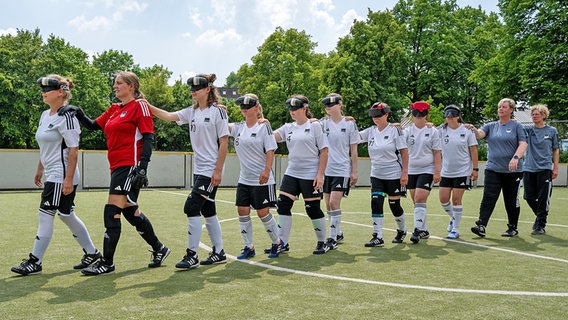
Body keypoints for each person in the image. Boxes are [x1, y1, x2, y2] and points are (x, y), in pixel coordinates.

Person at [58, 71, 170, 275]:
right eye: (115, 83)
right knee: (130, 211)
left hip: (130, 165)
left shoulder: (140, 105)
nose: (115, 86)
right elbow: (93, 126)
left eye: (119, 83)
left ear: (131, 86)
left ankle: (107, 263)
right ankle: (159, 248)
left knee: (112, 210)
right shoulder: (114, 109)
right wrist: (77, 111)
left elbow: (148, 137)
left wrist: (143, 167)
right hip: (116, 166)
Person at [11, 75, 101, 276]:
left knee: (45, 214)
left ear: (60, 92)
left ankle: (35, 261)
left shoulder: (67, 116)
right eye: (42, 90)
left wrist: (68, 179)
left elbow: (73, 150)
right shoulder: (45, 115)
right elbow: (46, 146)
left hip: (61, 176)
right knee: (66, 214)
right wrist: (40, 168)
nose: (42, 93)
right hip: (51, 172)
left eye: (47, 90)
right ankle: (93, 253)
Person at [149, 74, 228, 269]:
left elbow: (224, 141)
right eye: (191, 89)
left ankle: (191, 255)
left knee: (191, 207)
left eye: (197, 88)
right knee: (208, 210)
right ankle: (219, 252)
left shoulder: (218, 112)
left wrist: (218, 171)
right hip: (199, 168)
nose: (193, 91)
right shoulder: (191, 112)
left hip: (210, 169)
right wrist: (145, 105)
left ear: (208, 89)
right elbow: (167, 116)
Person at [270, 95, 330, 254]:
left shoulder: (315, 126)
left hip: (311, 173)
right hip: (292, 171)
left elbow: (324, 151)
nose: (292, 112)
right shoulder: (288, 127)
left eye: (295, 108)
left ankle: (322, 242)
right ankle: (282, 242)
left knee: (312, 208)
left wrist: (320, 175)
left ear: (304, 108)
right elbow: (269, 136)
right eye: (290, 109)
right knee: (282, 204)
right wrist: (262, 123)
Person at [229, 94, 282, 259]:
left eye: (248, 106)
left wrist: (267, 170)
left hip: (261, 179)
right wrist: (219, 109)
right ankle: (248, 247)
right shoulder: (239, 127)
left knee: (262, 212)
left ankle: (277, 243)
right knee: (242, 211)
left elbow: (270, 149)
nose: (244, 109)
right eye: (242, 106)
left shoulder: (263, 127)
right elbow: (221, 123)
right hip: (244, 178)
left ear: (256, 107)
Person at [469, 98, 528, 237]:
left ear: (511, 110)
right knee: (488, 197)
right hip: (493, 168)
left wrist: (515, 158)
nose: (500, 109)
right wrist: (473, 129)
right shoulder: (491, 125)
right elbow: (480, 135)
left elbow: (523, 144)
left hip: (513, 171)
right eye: (499, 106)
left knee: (511, 199)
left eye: (504, 107)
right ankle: (481, 225)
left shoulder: (517, 126)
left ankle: (512, 227)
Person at [358, 102, 409, 247]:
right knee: (376, 202)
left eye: (379, 116)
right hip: (376, 173)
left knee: (394, 205)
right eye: (373, 116)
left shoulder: (395, 130)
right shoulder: (371, 131)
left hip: (393, 173)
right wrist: (345, 121)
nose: (376, 118)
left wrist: (404, 173)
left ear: (386, 114)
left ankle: (402, 230)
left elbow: (404, 152)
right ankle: (378, 236)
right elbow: (353, 137)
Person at [319, 93, 360, 249]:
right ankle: (338, 232)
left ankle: (332, 238)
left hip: (341, 169)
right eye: (326, 106)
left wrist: (354, 171)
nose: (328, 108)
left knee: (334, 203)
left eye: (332, 105)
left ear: (340, 104)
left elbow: (354, 150)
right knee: (328, 205)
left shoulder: (350, 124)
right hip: (326, 170)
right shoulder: (323, 123)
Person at [437, 105, 479, 239]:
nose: (450, 118)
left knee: (456, 199)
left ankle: (455, 229)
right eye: (447, 115)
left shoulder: (467, 130)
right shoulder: (440, 130)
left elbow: (473, 149)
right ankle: (453, 217)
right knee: (443, 199)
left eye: (452, 115)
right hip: (446, 171)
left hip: (462, 171)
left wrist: (475, 169)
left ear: (457, 116)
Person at [403, 102, 441, 243]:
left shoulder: (433, 131)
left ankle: (417, 230)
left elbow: (437, 153)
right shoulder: (407, 130)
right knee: (416, 201)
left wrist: (437, 171)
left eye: (422, 115)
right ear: (412, 116)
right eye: (416, 114)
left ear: (427, 115)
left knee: (419, 199)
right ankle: (424, 229)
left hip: (427, 169)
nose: (419, 117)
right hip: (411, 170)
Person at [523, 104, 560, 235]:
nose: (534, 116)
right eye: (532, 114)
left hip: (544, 168)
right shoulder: (528, 130)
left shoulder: (552, 131)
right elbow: (516, 128)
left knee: (543, 198)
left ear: (544, 115)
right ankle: (540, 217)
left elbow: (555, 149)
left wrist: (555, 167)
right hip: (528, 168)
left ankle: (540, 225)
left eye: (537, 114)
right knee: (528, 196)